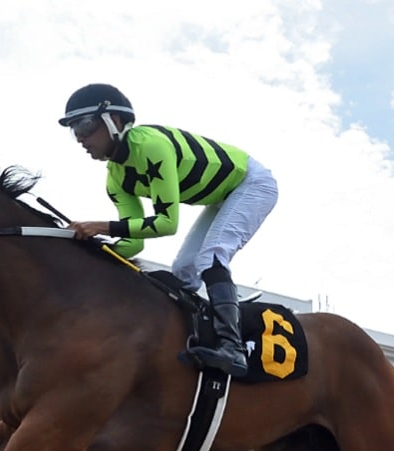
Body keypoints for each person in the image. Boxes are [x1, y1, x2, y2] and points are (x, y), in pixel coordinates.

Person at [60, 83, 278, 377]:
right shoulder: (115, 179)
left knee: (211, 256)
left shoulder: (149, 145)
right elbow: (134, 244)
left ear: (116, 121)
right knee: (183, 269)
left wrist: (99, 227)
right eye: (75, 131)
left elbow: (166, 224)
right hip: (221, 197)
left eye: (85, 126)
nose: (81, 139)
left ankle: (233, 347)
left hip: (251, 184)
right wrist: (92, 250)